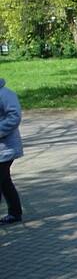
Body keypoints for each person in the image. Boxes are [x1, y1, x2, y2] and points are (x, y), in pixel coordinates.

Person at [0, 79, 24, 225]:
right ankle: (15, 213)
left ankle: (15, 213)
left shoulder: (5, 94)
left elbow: (14, 117)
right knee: (5, 182)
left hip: (5, 149)